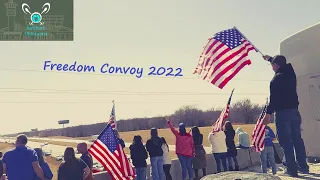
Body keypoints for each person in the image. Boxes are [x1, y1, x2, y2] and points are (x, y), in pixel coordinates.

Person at [262, 55, 309, 177]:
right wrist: (270, 58)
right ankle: (303, 166)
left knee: (285, 142)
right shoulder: (291, 74)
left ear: (276, 66)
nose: (271, 67)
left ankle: (291, 169)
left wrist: (268, 114)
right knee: (297, 140)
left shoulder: (275, 80)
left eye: (272, 65)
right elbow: (284, 64)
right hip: (294, 112)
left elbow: (273, 100)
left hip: (282, 114)